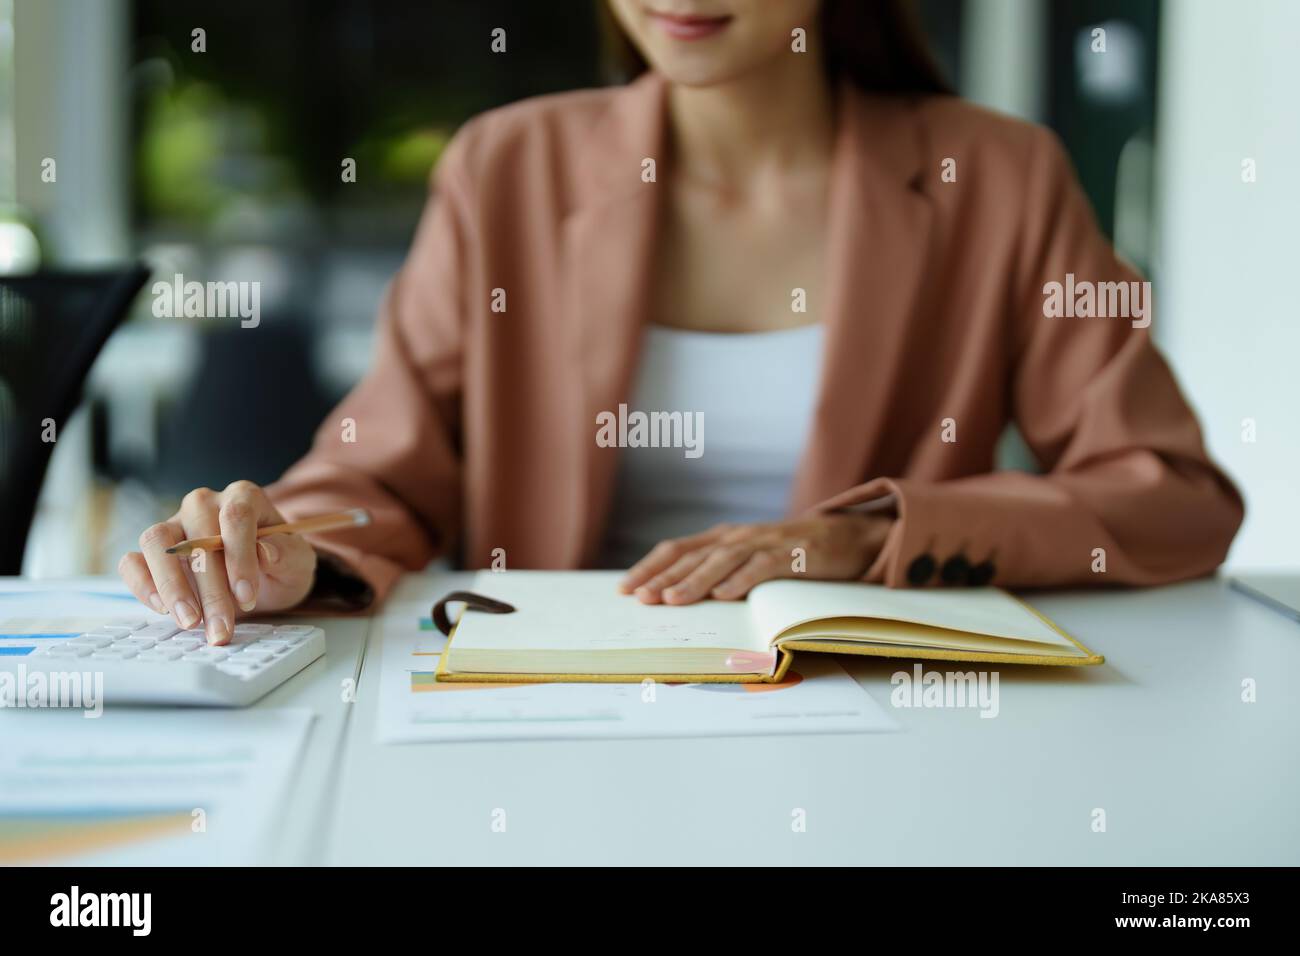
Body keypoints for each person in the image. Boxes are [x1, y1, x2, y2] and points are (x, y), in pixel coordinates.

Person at [117, 0, 1242, 646]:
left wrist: (861, 537)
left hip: (875, 715)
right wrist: (292, 552)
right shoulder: (510, 168)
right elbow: (392, 473)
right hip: (553, 694)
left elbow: (1168, 496)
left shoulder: (992, 175)